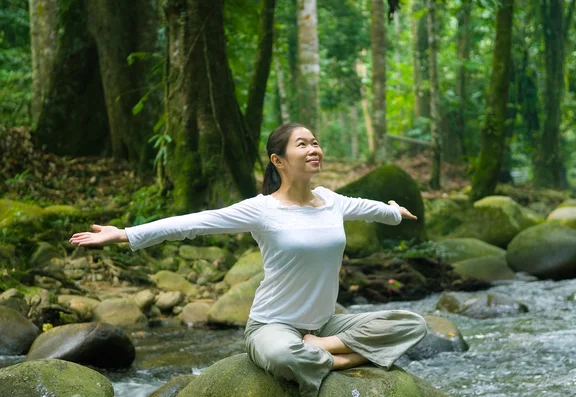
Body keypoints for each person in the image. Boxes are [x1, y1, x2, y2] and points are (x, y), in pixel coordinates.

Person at [70, 122, 428, 397]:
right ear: (278, 160)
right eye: (302, 144)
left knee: (413, 325)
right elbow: (194, 223)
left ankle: (324, 352)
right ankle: (342, 358)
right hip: (273, 326)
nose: (313, 148)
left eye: (315, 142)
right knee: (286, 356)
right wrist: (126, 234)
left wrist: (394, 212)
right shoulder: (262, 210)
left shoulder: (331, 201)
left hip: (325, 327)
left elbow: (372, 209)